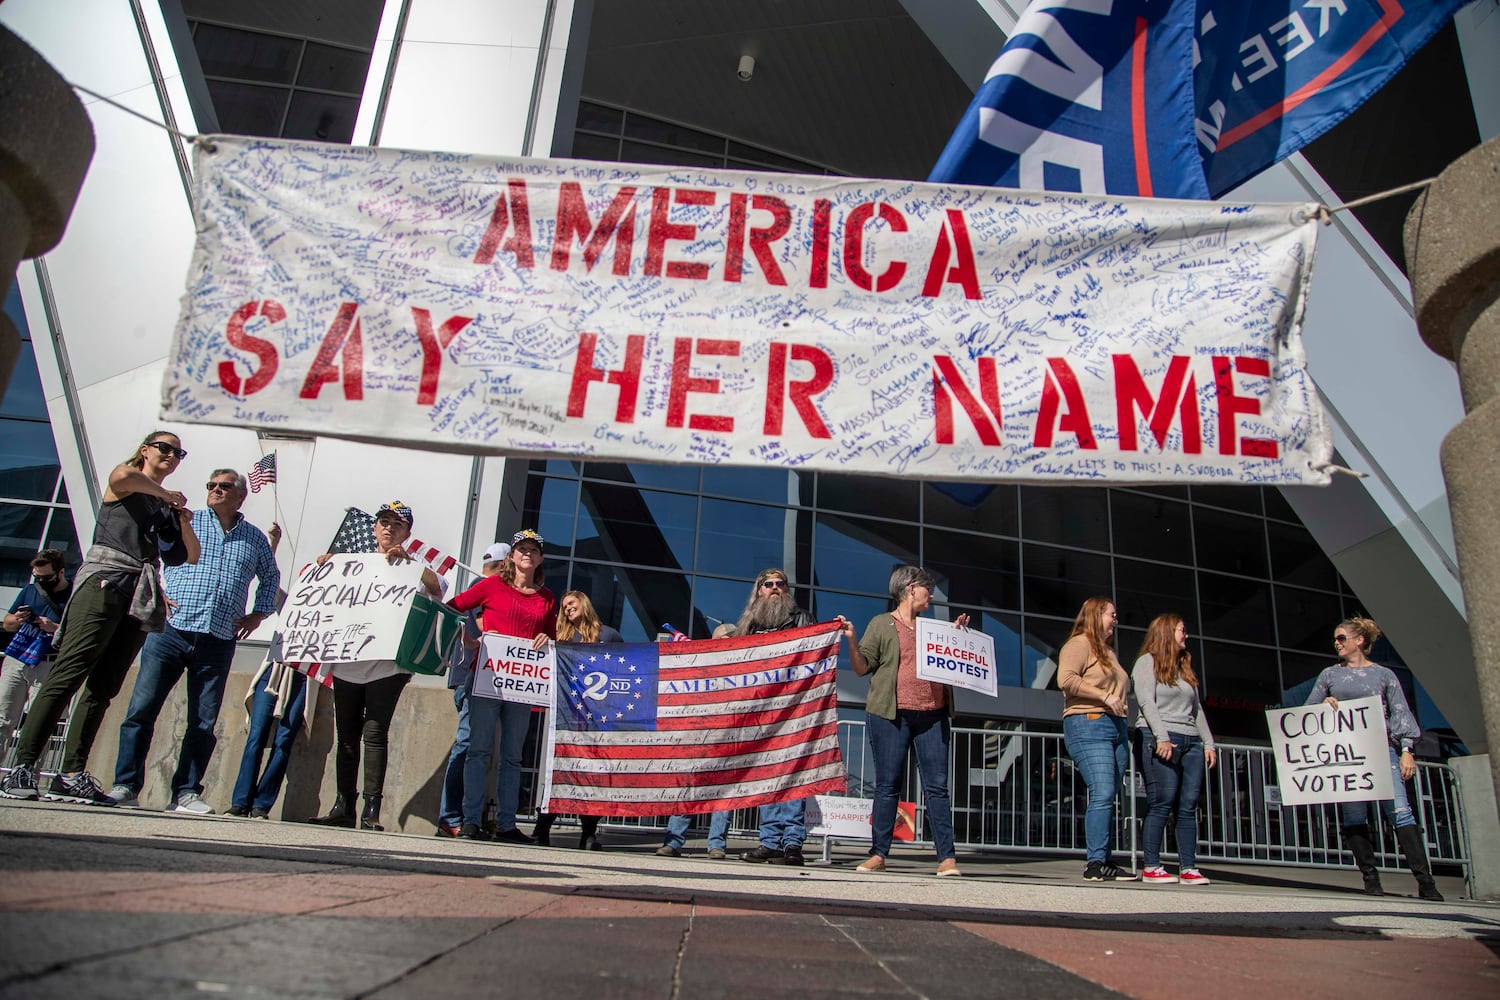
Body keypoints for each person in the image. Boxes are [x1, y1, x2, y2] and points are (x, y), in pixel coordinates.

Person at [1, 430, 200, 804]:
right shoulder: (127, 480)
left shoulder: (163, 505)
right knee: (69, 672)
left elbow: (189, 555)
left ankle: (70, 772)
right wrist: (164, 494)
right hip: (105, 581)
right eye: (165, 448)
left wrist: (183, 518)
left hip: (138, 593)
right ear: (145, 450)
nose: (173, 455)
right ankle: (23, 766)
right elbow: (120, 478)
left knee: (103, 687)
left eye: (179, 452)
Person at [108, 469, 280, 813]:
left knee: (203, 721)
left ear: (240, 495)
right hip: (171, 631)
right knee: (142, 710)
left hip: (218, 637)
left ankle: (186, 792)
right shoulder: (185, 519)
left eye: (224, 486)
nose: (215, 490)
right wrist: (156, 591)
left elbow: (270, 576)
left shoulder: (255, 538)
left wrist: (258, 614)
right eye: (211, 484)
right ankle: (125, 785)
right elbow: (148, 552)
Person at [307, 501, 443, 831]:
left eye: (397, 524)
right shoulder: (353, 563)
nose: (388, 528)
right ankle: (343, 804)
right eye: (383, 522)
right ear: (374, 527)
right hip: (349, 660)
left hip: (388, 665)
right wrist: (327, 567)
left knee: (375, 732)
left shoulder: (415, 565)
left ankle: (371, 809)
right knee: (347, 735)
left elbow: (438, 589)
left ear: (408, 532)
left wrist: (410, 564)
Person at [1306, 615, 1443, 901]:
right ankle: (1370, 878)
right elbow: (1307, 711)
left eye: (1342, 637)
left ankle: (1426, 882)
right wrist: (1324, 704)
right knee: (1354, 815)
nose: (1337, 643)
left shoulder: (1383, 675)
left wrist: (1407, 750)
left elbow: (1400, 712)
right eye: (1335, 639)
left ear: (1360, 641)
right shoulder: (1330, 675)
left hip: (1382, 750)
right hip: (1348, 753)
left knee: (1400, 811)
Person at [846, 565, 968, 877]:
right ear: (911, 588)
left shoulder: (933, 628)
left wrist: (957, 640)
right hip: (891, 715)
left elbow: (951, 663)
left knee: (937, 788)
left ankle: (947, 858)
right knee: (887, 786)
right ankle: (878, 853)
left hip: (933, 717)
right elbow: (862, 668)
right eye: (927, 588)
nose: (931, 595)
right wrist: (852, 640)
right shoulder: (882, 624)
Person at [446, 528, 555, 843]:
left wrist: (548, 638)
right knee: (478, 750)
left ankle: (506, 824)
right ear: (511, 556)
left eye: (534, 550)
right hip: (487, 679)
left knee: (512, 756)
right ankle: (470, 821)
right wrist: (466, 638)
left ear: (540, 559)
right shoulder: (491, 585)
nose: (527, 555)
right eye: (522, 549)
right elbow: (454, 607)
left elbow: (551, 637)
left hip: (522, 684)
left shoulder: (548, 598)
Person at [731, 568, 818, 866]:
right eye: (768, 584)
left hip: (793, 710)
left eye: (780, 584)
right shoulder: (748, 626)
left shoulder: (801, 618)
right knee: (766, 776)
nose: (775, 588)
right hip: (760, 713)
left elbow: (814, 655)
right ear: (758, 591)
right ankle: (770, 842)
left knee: (793, 775)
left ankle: (792, 843)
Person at [533, 589, 622, 850]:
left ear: (583, 603)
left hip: (597, 719)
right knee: (559, 772)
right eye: (564, 606)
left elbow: (625, 669)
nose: (567, 608)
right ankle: (542, 830)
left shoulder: (609, 635)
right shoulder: (561, 637)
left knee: (592, 775)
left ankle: (588, 834)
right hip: (566, 717)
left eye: (571, 603)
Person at [1132, 614, 1216, 886]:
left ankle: (1189, 868)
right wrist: (1162, 738)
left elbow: (1197, 709)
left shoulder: (1185, 667)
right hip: (1160, 736)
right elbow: (1146, 702)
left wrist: (1208, 743)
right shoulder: (1147, 663)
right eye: (1182, 630)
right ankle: (1152, 866)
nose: (1186, 635)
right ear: (1167, 632)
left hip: (1191, 741)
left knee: (1188, 805)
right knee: (1162, 800)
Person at [436, 541, 510, 838]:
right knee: (467, 746)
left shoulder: (479, 585)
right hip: (473, 677)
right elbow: (466, 619)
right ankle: (451, 817)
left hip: (474, 677)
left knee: (474, 748)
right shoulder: (487, 587)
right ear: (506, 565)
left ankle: (465, 817)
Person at [1059, 596, 1136, 882]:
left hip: (1115, 727)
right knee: (1102, 791)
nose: (1115, 620)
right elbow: (1065, 679)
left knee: (1109, 793)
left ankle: (1104, 859)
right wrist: (1104, 696)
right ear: (1095, 615)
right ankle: (1094, 863)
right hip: (1088, 722)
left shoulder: (1108, 652)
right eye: (1111, 615)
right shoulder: (1079, 644)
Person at [658, 622, 736, 860]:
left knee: (723, 793)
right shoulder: (702, 662)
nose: (730, 641)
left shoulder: (742, 665)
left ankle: (716, 845)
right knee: (689, 789)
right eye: (726, 637)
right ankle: (673, 841)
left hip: (728, 737)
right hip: (699, 737)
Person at [1, 550, 73, 740]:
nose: (41, 581)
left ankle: (28, 768)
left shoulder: (73, 595)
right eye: (37, 576)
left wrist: (54, 627)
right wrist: (17, 619)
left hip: (48, 663)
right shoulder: (30, 590)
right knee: (3, 719)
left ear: (60, 572)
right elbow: (7, 623)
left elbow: (79, 633)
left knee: (38, 724)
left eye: (46, 577)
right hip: (18, 657)